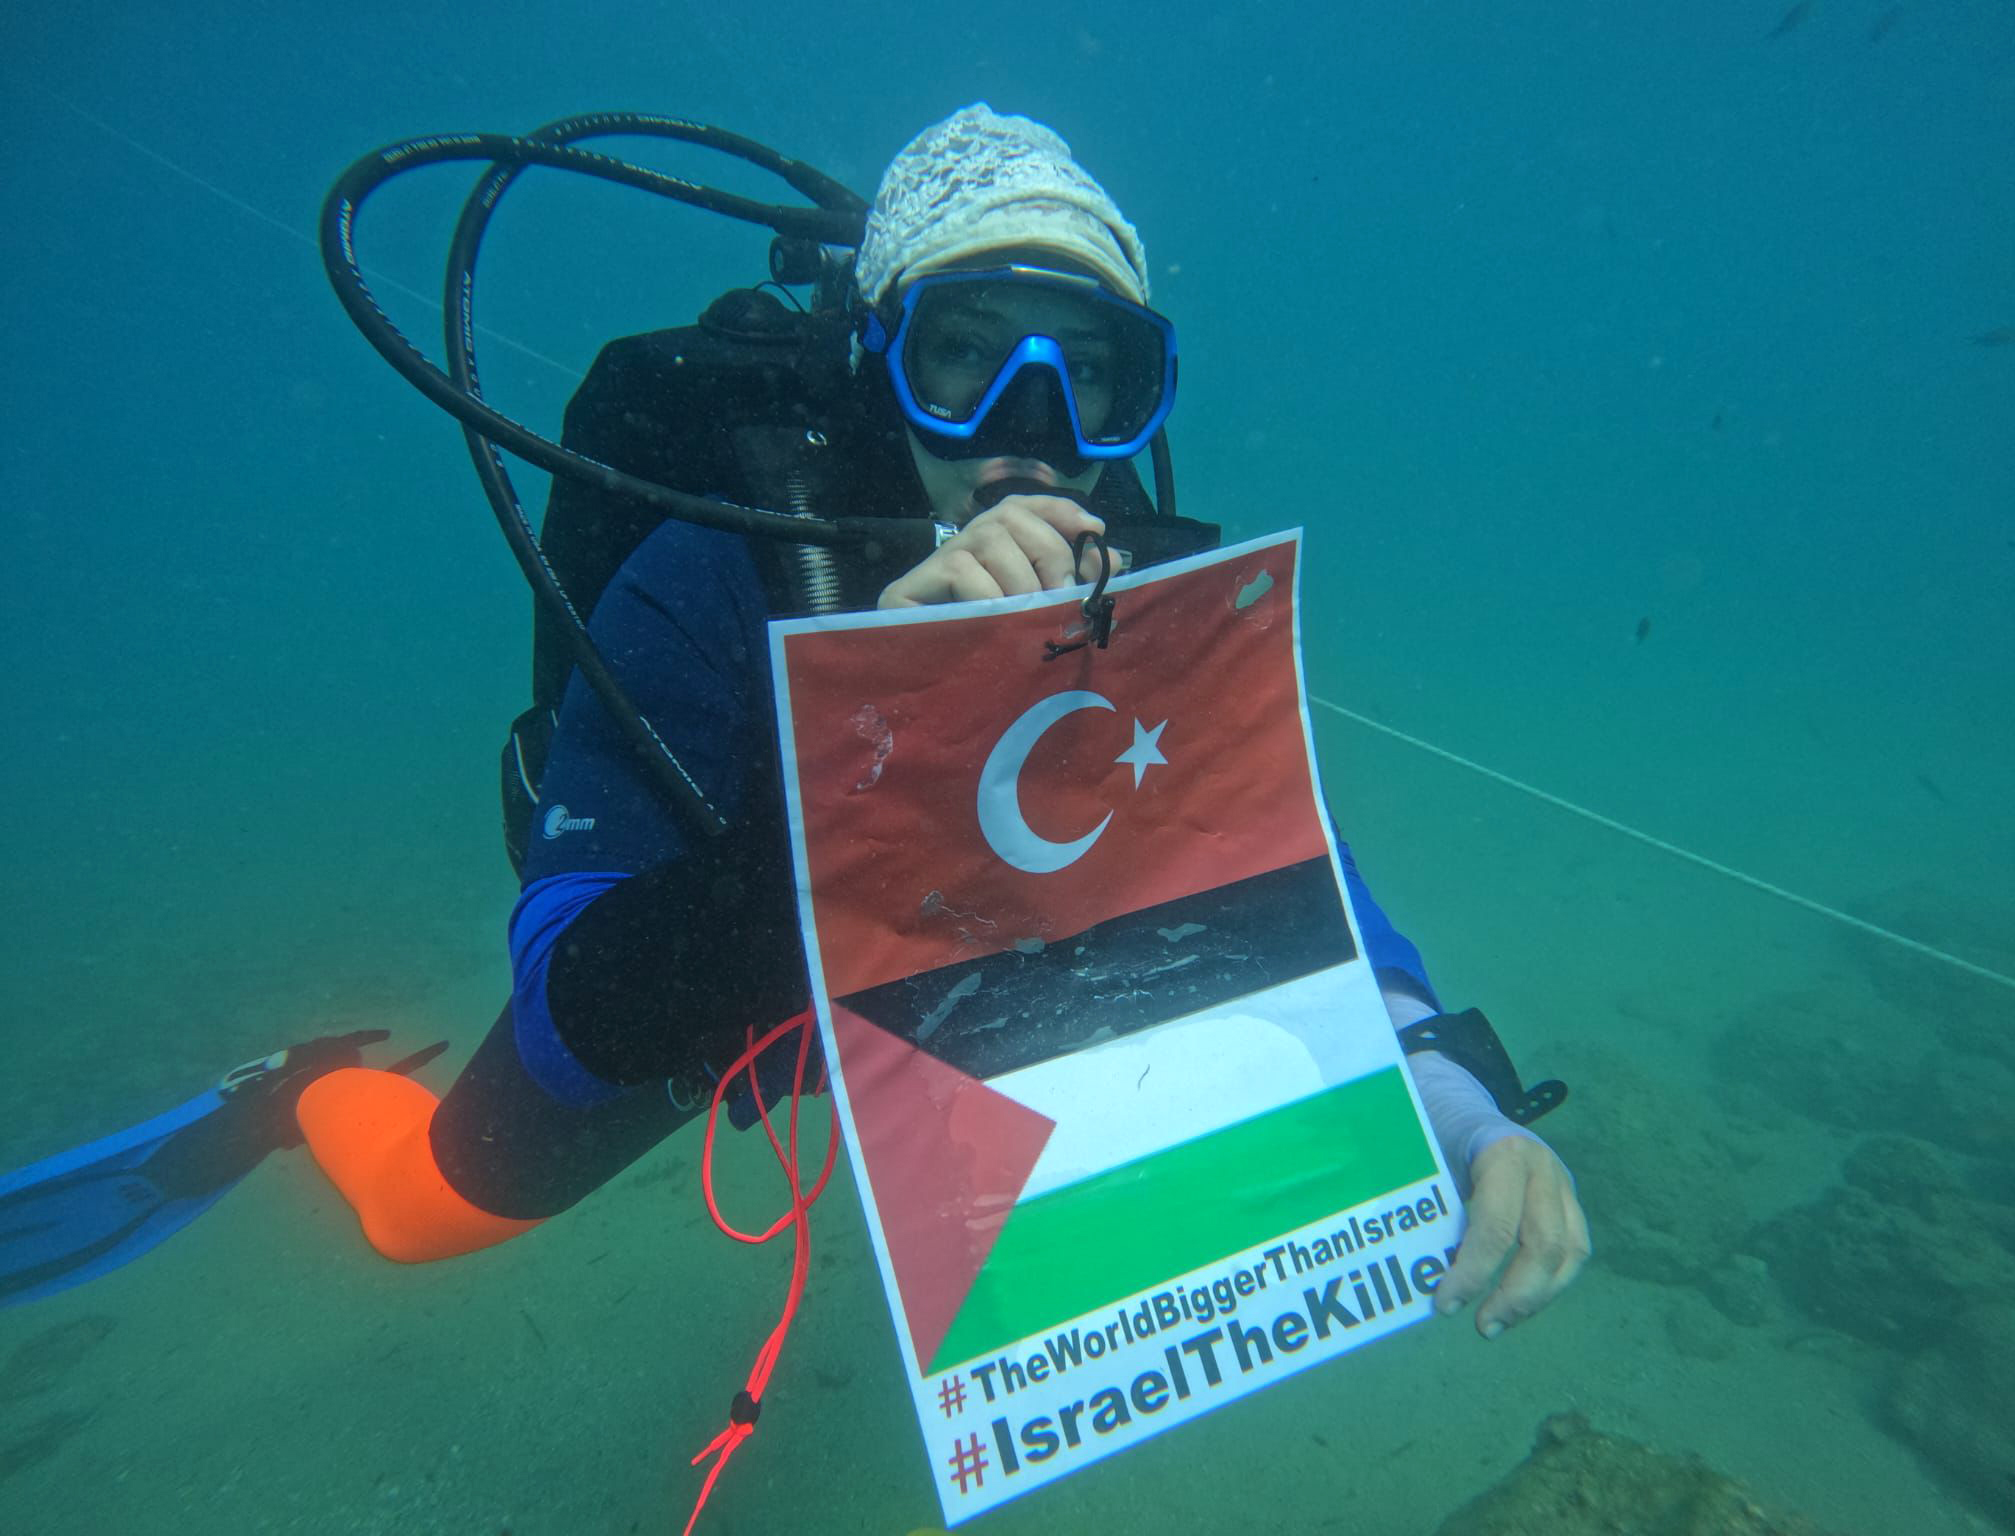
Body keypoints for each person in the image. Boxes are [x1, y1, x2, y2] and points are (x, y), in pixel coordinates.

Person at [3, 105, 1586, 1345]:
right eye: (965, 355)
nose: (1030, 431)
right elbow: (568, 992)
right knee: (421, 1216)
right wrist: (882, 734)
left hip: (964, 999)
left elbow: (1283, 871)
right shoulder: (711, 572)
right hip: (732, 995)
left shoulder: (1143, 594)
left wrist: (1456, 1105)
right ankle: (292, 1095)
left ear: (1137, 395)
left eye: (1088, 374)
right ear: (884, 357)